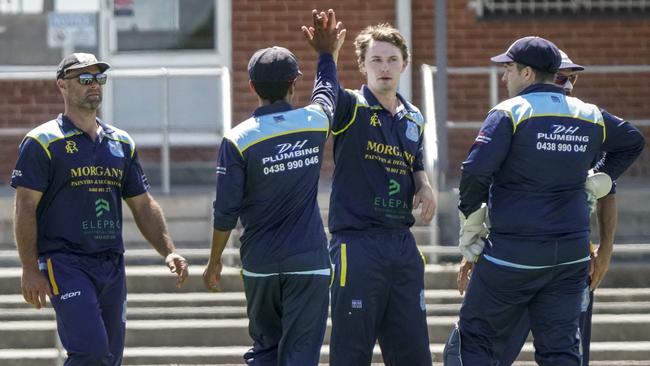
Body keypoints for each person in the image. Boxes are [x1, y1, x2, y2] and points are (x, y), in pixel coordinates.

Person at [444, 36, 644, 365]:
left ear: (527, 73)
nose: (502, 77)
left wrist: (470, 224)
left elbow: (475, 172)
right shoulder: (589, 114)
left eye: (508, 69)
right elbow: (632, 140)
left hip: (513, 254)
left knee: (474, 339)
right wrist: (600, 178)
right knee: (561, 350)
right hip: (569, 259)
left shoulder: (512, 111)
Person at [11, 53, 189, 366]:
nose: (94, 85)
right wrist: (29, 268)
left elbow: (143, 204)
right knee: (90, 351)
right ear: (62, 86)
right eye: (84, 78)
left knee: (110, 357)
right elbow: (25, 207)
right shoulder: (41, 141)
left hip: (111, 263)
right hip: (64, 263)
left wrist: (169, 251)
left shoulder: (121, 142)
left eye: (98, 78)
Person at [202, 9, 345, 366]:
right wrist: (326, 54)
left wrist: (214, 260)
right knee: (300, 355)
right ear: (294, 84)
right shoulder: (313, 122)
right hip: (309, 261)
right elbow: (327, 91)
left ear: (252, 87)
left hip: (261, 262)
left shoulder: (238, 139)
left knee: (266, 351)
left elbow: (226, 210)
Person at [327, 23, 436, 366]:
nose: (384, 67)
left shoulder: (414, 117)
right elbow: (326, 92)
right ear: (362, 65)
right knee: (351, 353)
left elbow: (413, 158)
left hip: (401, 245)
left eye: (392, 59)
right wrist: (327, 55)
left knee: (414, 353)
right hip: (356, 244)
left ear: (404, 63)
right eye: (376, 60)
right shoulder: (350, 107)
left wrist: (423, 182)